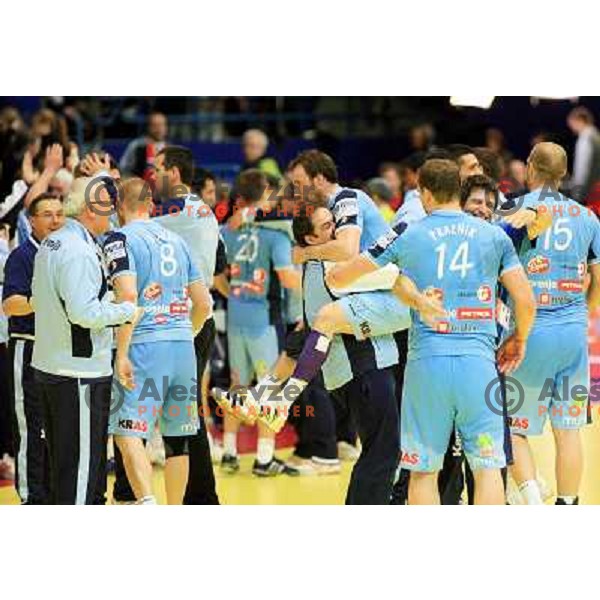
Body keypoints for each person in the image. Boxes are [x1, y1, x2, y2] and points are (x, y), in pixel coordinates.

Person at [327, 158, 537, 504]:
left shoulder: (410, 232)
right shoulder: (493, 235)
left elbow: (343, 276)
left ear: (424, 192)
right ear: (459, 189)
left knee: (424, 471)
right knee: (487, 469)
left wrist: (393, 280)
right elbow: (525, 300)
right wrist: (519, 339)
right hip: (479, 366)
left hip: (427, 367)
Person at [30, 177, 139, 504]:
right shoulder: (78, 250)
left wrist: (110, 305)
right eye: (109, 203)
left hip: (53, 365)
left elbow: (66, 303)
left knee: (62, 465)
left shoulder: (54, 242)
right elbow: (82, 313)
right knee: (79, 471)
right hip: (78, 373)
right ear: (91, 208)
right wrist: (126, 312)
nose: (115, 211)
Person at [104, 178, 211, 505]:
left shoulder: (119, 239)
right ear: (150, 204)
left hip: (144, 346)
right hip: (182, 347)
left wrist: (122, 352)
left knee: (127, 430)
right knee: (178, 437)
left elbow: (128, 296)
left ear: (118, 207)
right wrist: (185, 333)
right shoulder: (178, 241)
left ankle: (147, 504)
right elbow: (204, 303)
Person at [508, 142, 600, 505]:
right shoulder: (588, 218)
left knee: (511, 426)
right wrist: (587, 312)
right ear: (563, 175)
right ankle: (567, 504)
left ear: (530, 168)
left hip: (531, 332)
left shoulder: (516, 210)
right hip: (573, 332)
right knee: (569, 429)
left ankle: (531, 500)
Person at [218, 169, 300, 476]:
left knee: (237, 385)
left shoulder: (227, 231)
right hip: (265, 320)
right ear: (264, 194)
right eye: (272, 193)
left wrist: (234, 296)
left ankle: (229, 453)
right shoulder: (275, 235)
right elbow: (288, 277)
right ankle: (265, 459)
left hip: (236, 315)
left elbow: (216, 277)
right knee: (269, 388)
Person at [2, 194, 65, 504]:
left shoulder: (68, 255)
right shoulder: (23, 256)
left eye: (59, 214)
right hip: (27, 350)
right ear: (32, 221)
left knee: (56, 429)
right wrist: (45, 302)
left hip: (60, 354)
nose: (55, 221)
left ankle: (54, 495)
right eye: (47, 215)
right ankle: (31, 498)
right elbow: (10, 305)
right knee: (30, 427)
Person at [566, 106, 600, 204]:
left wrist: (577, 196)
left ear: (579, 120)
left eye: (571, 124)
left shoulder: (585, 138)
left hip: (589, 193)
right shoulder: (596, 135)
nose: (571, 128)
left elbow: (582, 169)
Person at [119, 111, 168, 178]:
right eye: (155, 125)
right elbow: (124, 169)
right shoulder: (137, 146)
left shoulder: (170, 148)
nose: (159, 129)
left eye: (161, 125)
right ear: (148, 127)